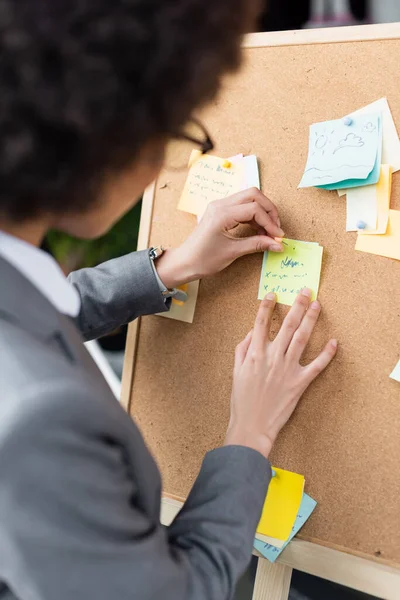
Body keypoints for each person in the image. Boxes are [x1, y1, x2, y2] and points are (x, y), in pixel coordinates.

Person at [0, 2, 337, 599]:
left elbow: (23, 314)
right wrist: (249, 434)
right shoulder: (37, 422)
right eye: (173, 135)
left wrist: (173, 266)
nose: (163, 163)